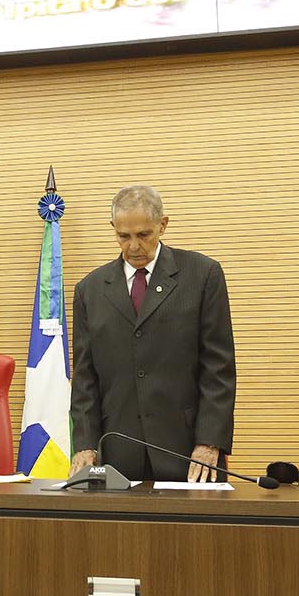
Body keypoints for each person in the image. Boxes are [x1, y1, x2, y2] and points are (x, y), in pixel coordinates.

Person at [69, 185, 236, 482]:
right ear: (113, 229)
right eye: (123, 236)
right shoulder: (90, 290)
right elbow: (85, 377)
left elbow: (218, 368)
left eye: (144, 235)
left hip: (188, 452)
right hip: (118, 454)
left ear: (163, 224)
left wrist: (210, 441)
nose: (134, 246)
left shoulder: (202, 275)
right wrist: (84, 443)